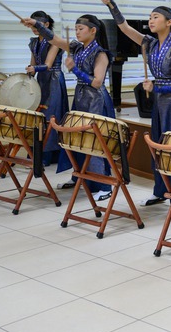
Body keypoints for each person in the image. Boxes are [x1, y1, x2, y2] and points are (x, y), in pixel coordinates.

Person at [100, 0, 171, 221]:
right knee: (158, 145)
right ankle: (163, 191)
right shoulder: (149, 43)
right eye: (149, 17)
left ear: (169, 22)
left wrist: (157, 88)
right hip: (160, 103)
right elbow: (125, 28)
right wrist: (112, 5)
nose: (150, 21)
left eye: (155, 17)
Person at [22, 14, 114, 202]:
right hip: (81, 97)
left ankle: (104, 185)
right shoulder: (77, 47)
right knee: (77, 138)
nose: (77, 32)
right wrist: (37, 25)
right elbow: (54, 39)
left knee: (95, 142)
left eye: (81, 29)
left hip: (96, 99)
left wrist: (75, 70)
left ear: (93, 30)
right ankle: (80, 176)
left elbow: (97, 82)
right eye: (76, 28)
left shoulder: (101, 53)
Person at [23, 11, 69, 166]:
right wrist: (30, 71)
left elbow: (48, 65)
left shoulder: (54, 41)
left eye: (38, 24)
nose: (34, 28)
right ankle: (38, 151)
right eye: (32, 25)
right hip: (41, 80)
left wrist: (34, 69)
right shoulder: (34, 42)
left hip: (54, 79)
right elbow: (33, 63)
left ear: (47, 24)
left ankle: (49, 155)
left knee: (51, 115)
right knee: (38, 115)